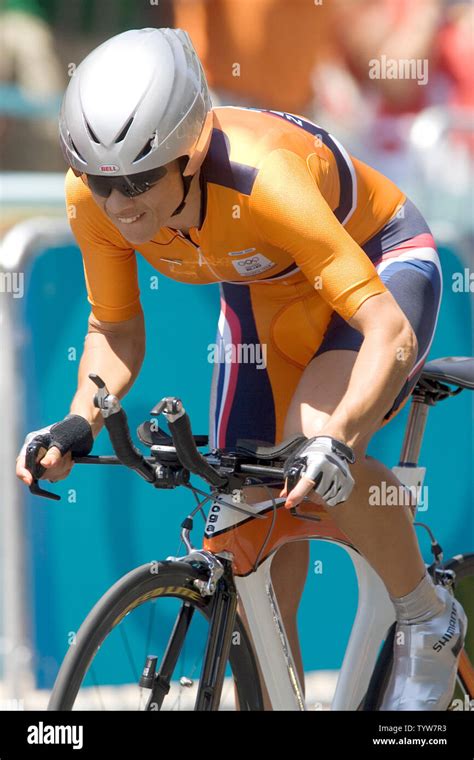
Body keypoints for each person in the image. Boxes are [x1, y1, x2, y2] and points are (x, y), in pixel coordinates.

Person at [16, 27, 466, 710]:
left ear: (190, 155)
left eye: (140, 179)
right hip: (265, 300)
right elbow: (114, 328)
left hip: (376, 271)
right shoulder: (95, 201)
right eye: (103, 181)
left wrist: (336, 436)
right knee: (241, 510)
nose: (121, 204)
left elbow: (386, 327)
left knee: (306, 454)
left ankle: (429, 619)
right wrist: (82, 418)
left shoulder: (267, 181)